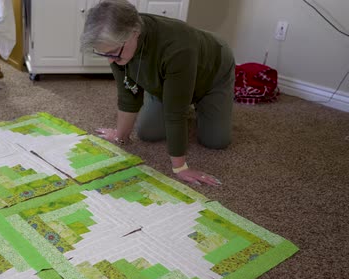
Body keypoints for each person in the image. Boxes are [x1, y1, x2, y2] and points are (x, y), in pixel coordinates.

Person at [81, 0, 235, 186]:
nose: (110, 61)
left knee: (216, 141)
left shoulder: (177, 46)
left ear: (134, 34)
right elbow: (128, 93)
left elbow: (175, 112)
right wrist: (121, 136)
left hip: (212, 72)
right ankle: (170, 93)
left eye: (113, 53)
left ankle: (200, 104)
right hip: (168, 78)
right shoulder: (117, 49)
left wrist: (180, 168)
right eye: (104, 54)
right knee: (148, 133)